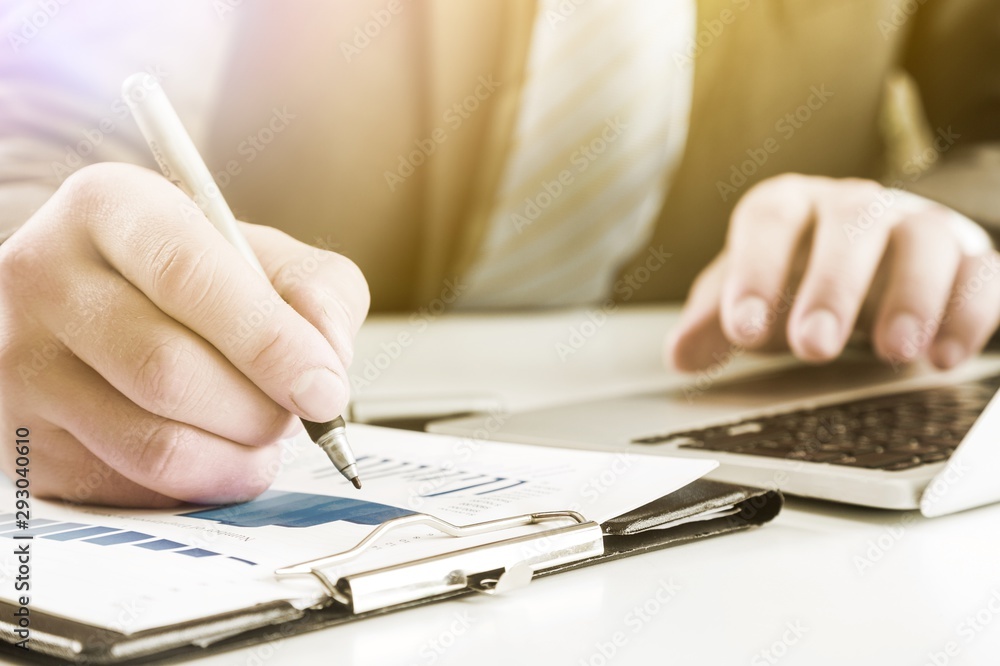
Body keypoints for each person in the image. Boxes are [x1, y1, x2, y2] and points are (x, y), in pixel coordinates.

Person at [1, 1, 998, 507]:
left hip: (724, 415)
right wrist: (43, 289)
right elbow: (50, 116)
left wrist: (944, 235)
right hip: (311, 403)